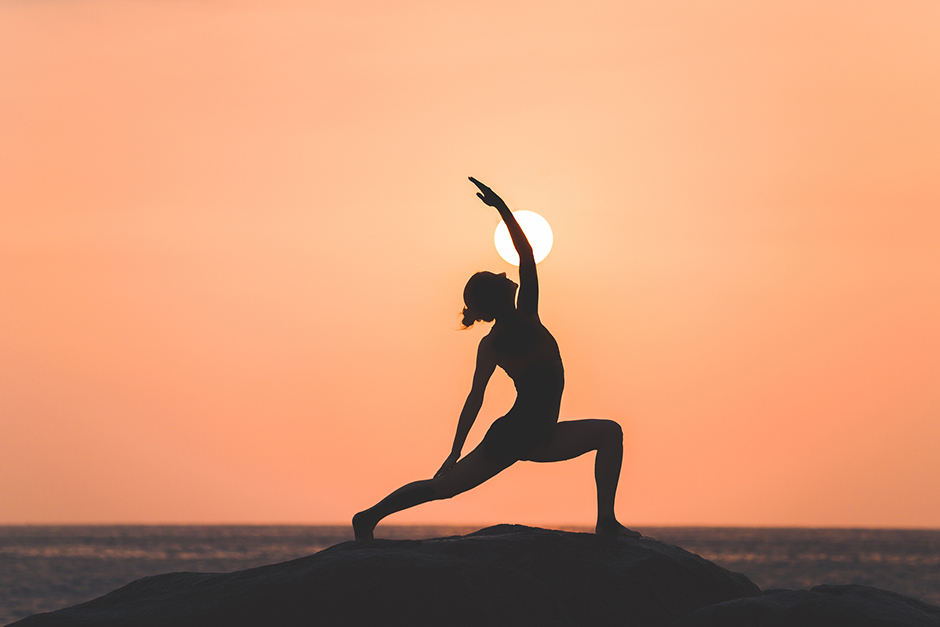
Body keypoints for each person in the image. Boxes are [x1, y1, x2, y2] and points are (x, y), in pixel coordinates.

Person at [352, 177, 640, 540]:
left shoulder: (526, 315)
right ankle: (369, 517)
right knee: (444, 487)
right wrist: (455, 452)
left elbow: (525, 256)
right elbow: (475, 398)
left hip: (543, 435)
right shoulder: (499, 339)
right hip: (514, 436)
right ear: (495, 296)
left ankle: (606, 522)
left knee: (610, 433)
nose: (506, 273)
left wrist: (502, 208)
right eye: (496, 275)